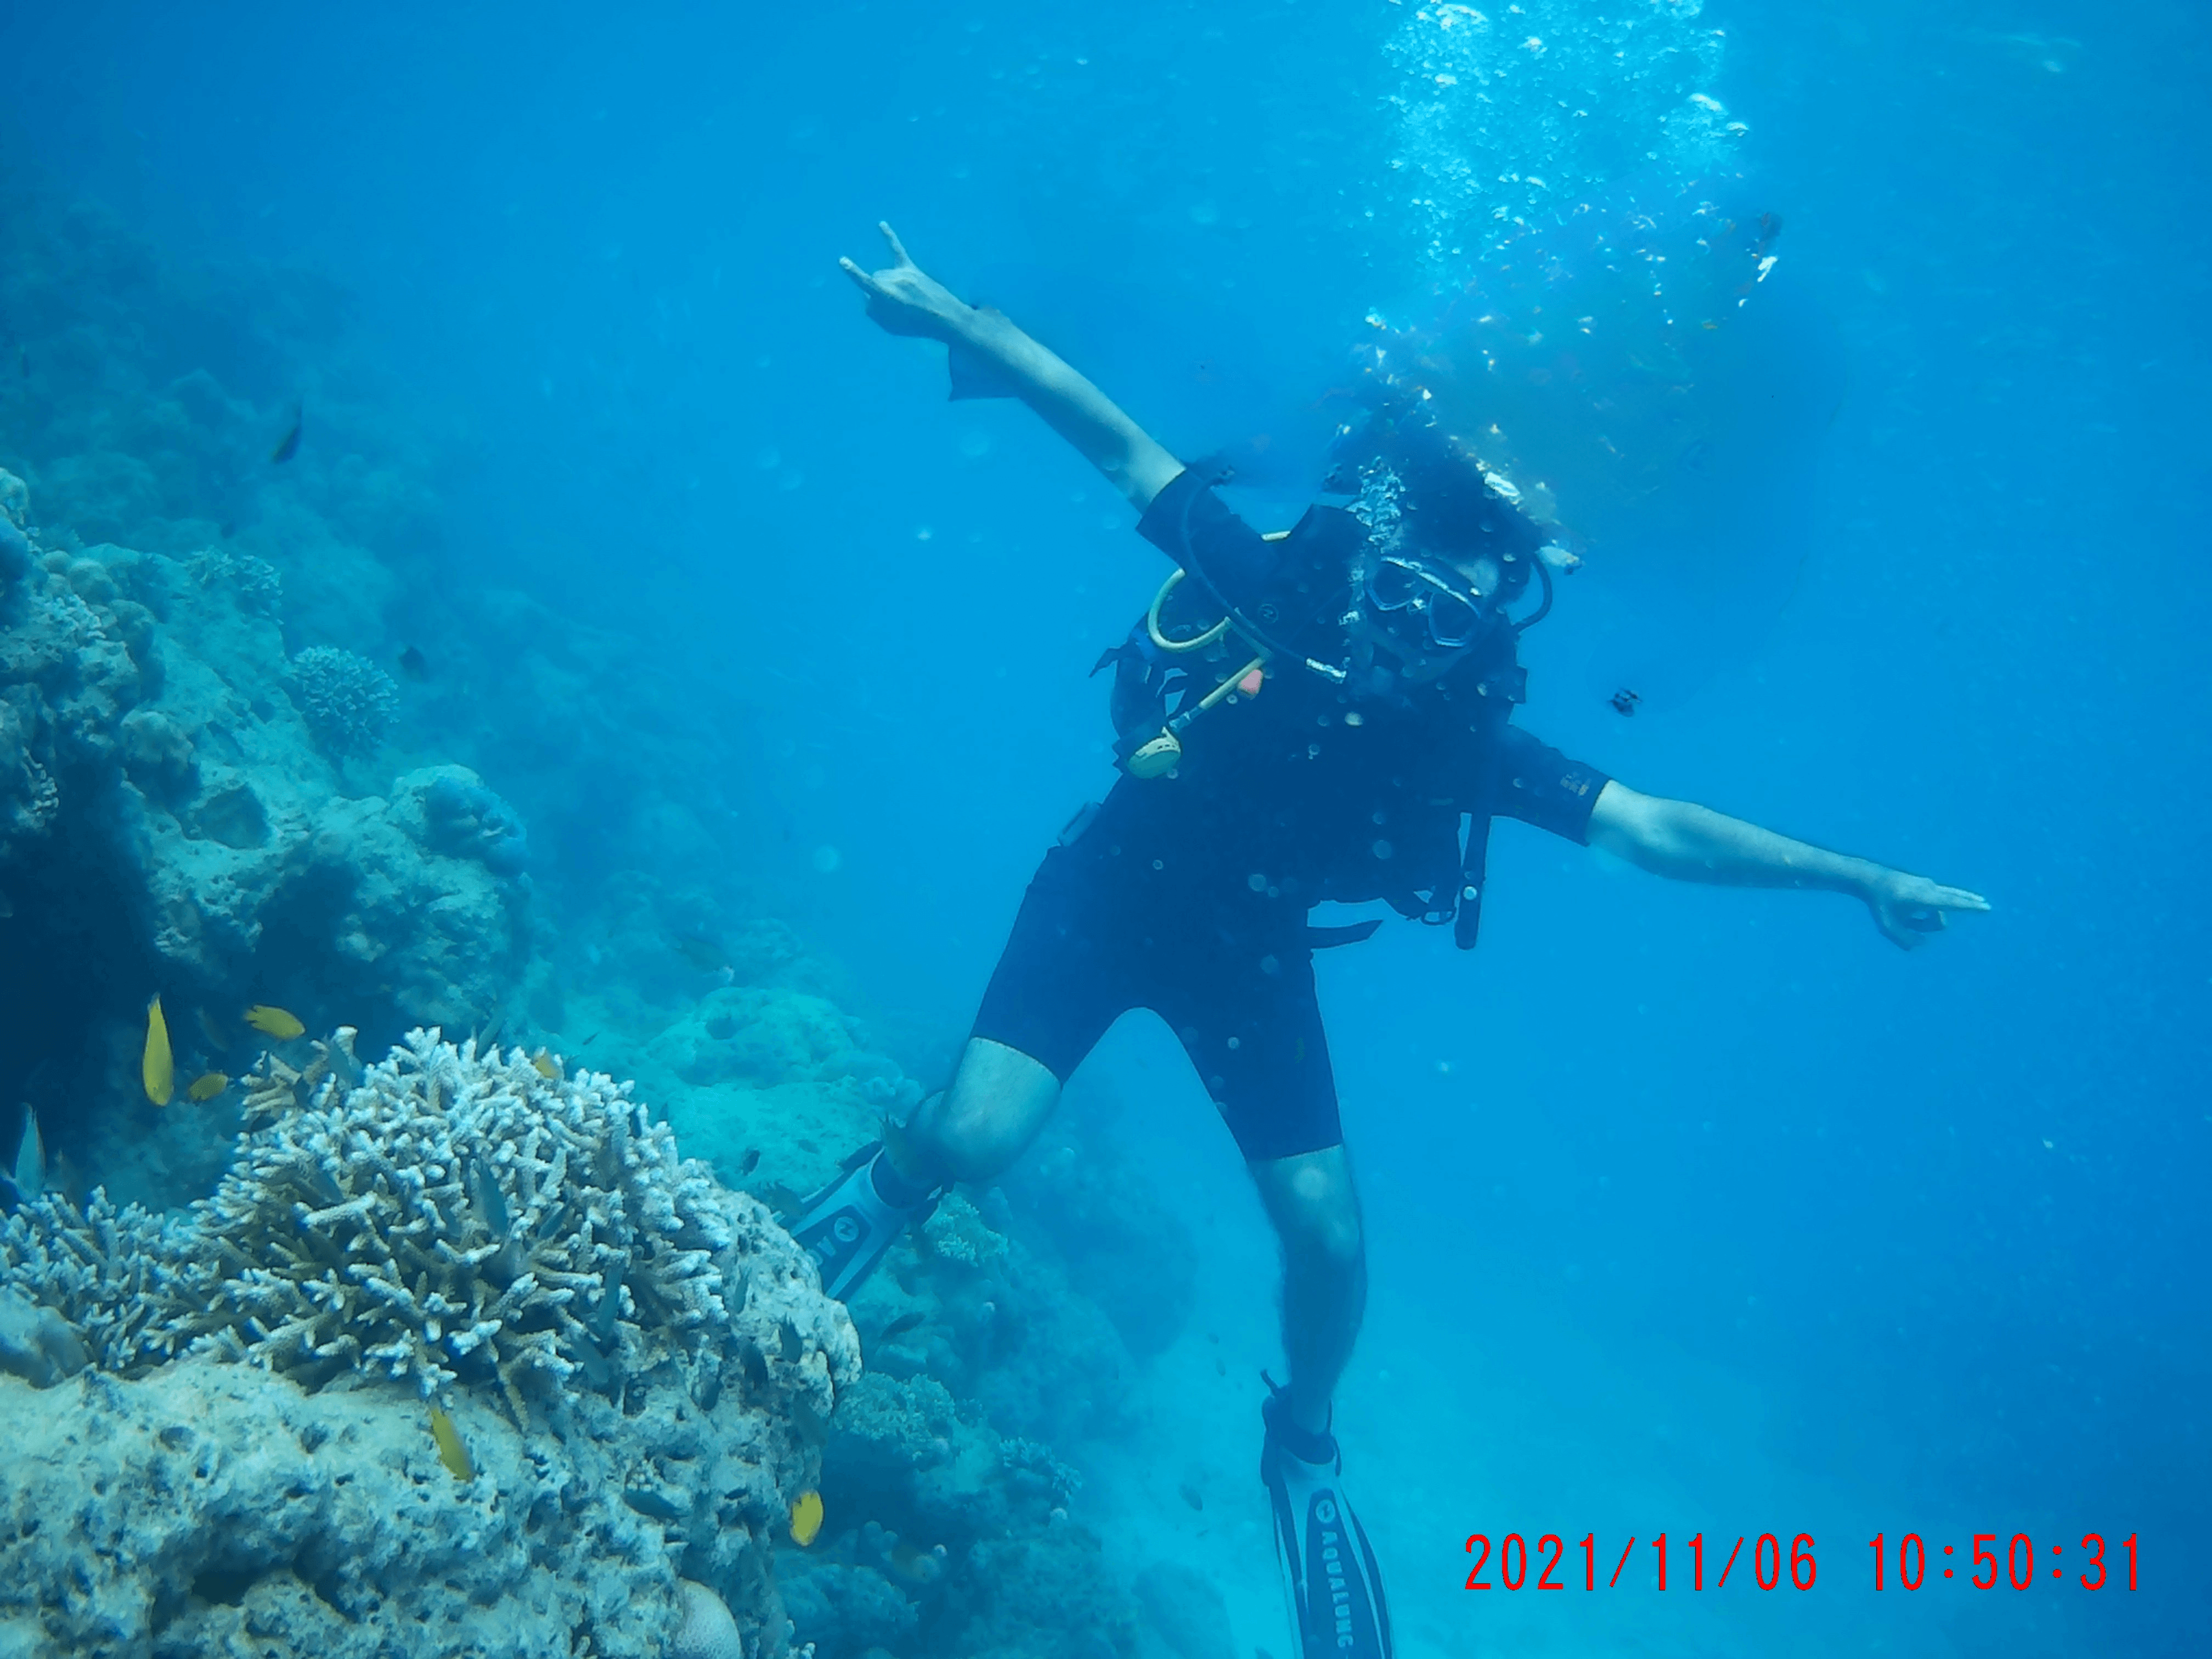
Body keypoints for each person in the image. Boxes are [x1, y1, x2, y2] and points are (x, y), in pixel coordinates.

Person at [797, 224, 1989, 1659]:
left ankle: (1301, 1438)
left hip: (1248, 954)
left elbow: (1654, 827)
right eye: (1413, 583)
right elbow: (1114, 439)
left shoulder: (1462, 730)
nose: (1424, 620)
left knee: (1329, 1241)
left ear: (1493, 610)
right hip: (1114, 884)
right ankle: (900, 1170)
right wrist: (953, 321)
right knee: (981, 1137)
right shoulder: (1279, 587)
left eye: (1461, 601)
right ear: (1374, 553)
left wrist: (1856, 877)